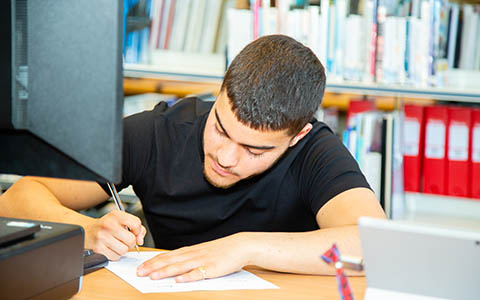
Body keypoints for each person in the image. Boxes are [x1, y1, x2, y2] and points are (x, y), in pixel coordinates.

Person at [0, 35, 385, 282]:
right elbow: (17, 197)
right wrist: (85, 227)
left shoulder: (316, 151)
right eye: (220, 128)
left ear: (296, 135)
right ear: (218, 94)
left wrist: (243, 248)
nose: (226, 156)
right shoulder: (156, 132)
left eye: (255, 150)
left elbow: (374, 245)